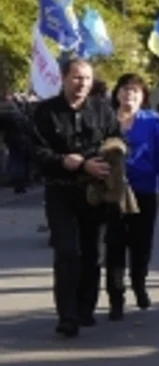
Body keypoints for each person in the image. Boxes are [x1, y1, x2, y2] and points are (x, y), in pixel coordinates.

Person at [32, 57, 120, 337]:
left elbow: (116, 140)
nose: (82, 83)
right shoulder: (46, 112)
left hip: (94, 193)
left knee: (91, 253)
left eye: (87, 78)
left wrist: (110, 157)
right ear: (64, 78)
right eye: (77, 77)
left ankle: (85, 308)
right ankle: (67, 315)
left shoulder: (102, 109)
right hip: (61, 191)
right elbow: (37, 152)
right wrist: (64, 161)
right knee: (67, 251)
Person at [104, 73, 159, 320]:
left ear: (143, 96)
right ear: (117, 93)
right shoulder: (107, 119)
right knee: (114, 245)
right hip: (113, 191)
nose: (129, 95)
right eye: (125, 89)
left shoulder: (153, 121)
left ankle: (139, 282)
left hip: (144, 189)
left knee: (141, 244)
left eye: (135, 90)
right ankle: (116, 297)